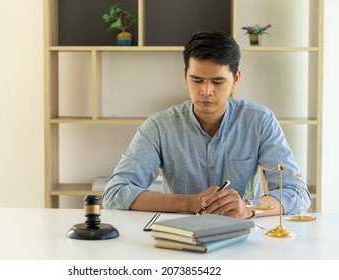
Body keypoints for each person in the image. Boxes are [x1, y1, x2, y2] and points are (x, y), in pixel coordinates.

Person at [102, 31, 311, 219]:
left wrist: (248, 207)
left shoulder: (259, 121)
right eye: (197, 80)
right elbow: (115, 192)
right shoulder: (159, 126)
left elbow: (297, 193)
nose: (206, 91)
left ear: (236, 79)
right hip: (180, 236)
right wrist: (189, 202)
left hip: (243, 238)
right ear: (185, 75)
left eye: (217, 82)